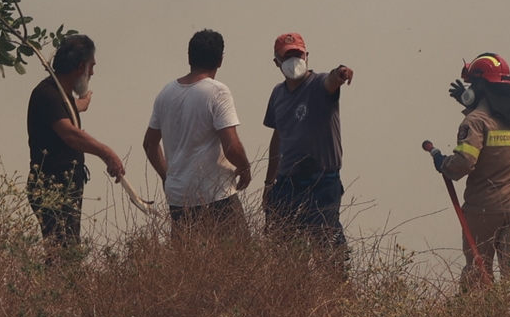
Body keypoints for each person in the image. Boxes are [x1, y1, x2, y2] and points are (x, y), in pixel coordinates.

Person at [431, 53, 510, 286]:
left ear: (479, 87)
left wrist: (444, 163)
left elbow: (464, 162)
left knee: (478, 277)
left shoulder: (475, 121)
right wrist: (470, 103)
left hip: (483, 209)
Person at [143, 29, 252, 239]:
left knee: (187, 266)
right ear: (220, 61)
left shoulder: (166, 93)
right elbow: (231, 147)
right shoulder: (217, 91)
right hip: (216, 196)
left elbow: (149, 144)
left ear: (189, 57)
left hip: (179, 198)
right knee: (237, 261)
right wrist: (245, 167)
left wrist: (168, 176)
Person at [26, 34, 125, 249]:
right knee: (63, 250)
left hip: (66, 184)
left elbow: (70, 109)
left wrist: (83, 103)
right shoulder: (47, 94)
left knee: (67, 247)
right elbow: (69, 133)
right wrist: (106, 153)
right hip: (52, 185)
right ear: (81, 67)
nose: (92, 73)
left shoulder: (61, 95)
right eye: (91, 67)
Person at [262, 32, 353, 253]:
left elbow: (332, 80)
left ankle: (335, 285)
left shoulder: (318, 85)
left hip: (322, 181)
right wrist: (268, 184)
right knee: (284, 248)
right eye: (287, 57)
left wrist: (340, 73)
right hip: (288, 183)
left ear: (306, 56)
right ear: (277, 62)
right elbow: (277, 137)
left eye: (298, 55)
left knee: (326, 246)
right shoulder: (277, 94)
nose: (294, 61)